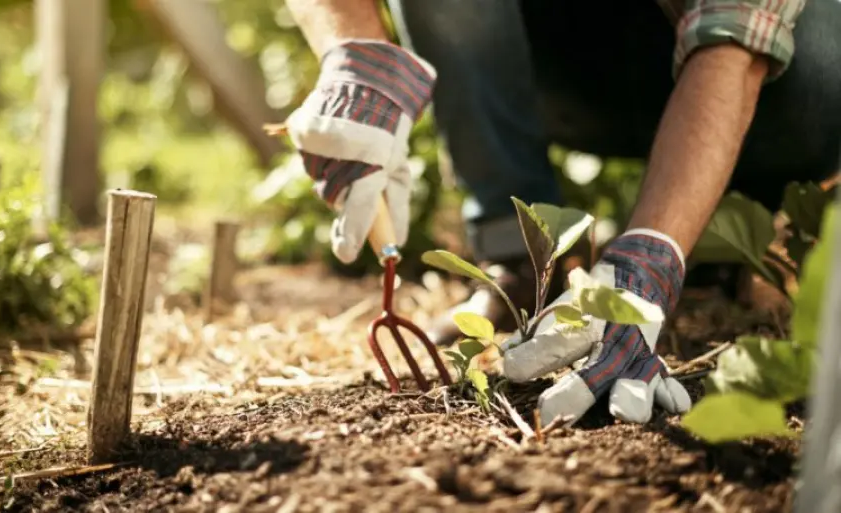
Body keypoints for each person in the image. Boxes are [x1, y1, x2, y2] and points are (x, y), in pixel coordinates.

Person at [279, 0, 841, 426]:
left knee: (815, 69)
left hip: (770, 68)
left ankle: (737, 223)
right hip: (561, 64)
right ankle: (524, 261)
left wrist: (649, 256)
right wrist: (354, 50)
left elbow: (736, 42)